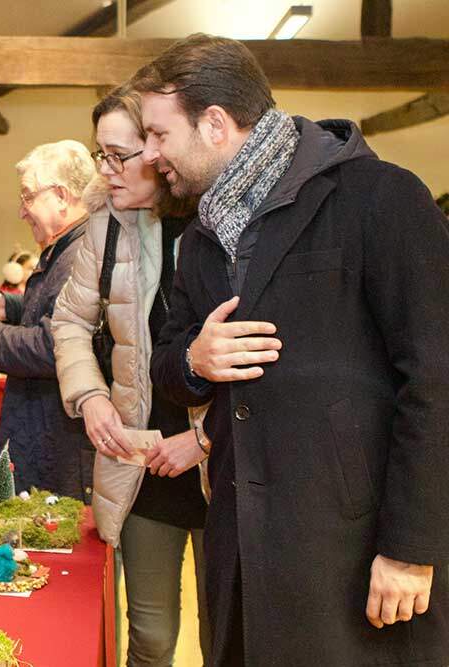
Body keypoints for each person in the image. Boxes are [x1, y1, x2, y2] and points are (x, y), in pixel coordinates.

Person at [139, 34, 449, 666]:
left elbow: (435, 377)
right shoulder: (200, 239)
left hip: (352, 555)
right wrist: (195, 360)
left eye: (158, 134)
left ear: (215, 124)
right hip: (241, 553)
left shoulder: (380, 197)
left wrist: (410, 548)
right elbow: (167, 363)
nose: (149, 154)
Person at [51, 86, 210, 666]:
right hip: (140, 465)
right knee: (150, 637)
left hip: (224, 462)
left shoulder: (221, 221)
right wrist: (91, 397)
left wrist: (204, 438)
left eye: (119, 155)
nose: (106, 170)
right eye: (102, 155)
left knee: (227, 640)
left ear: (161, 147)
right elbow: (69, 321)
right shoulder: (107, 224)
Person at [0, 140, 97, 501]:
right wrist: (11, 307)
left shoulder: (79, 256)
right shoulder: (68, 247)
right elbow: (56, 313)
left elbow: (50, 347)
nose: (21, 211)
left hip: (58, 449)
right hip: (47, 435)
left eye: (28, 197)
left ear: (61, 196)